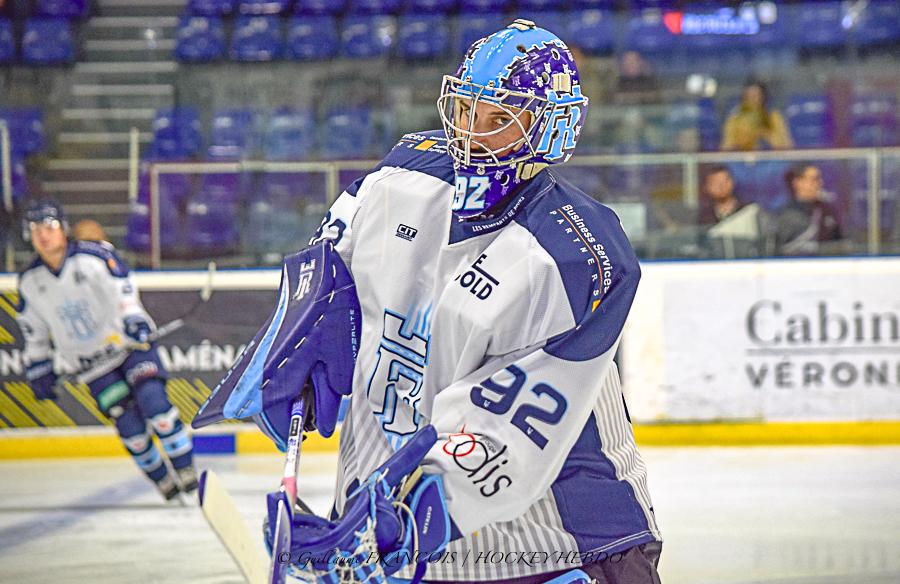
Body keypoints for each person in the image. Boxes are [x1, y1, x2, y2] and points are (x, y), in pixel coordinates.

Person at [196, 19, 661, 584]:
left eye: (499, 120)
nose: (471, 135)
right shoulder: (399, 178)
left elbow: (505, 435)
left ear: (550, 130)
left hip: (559, 547)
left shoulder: (576, 255)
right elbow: (321, 280)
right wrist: (292, 342)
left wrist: (393, 526)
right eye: (465, 110)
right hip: (398, 543)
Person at [16, 200, 198, 501]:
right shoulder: (29, 282)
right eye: (35, 229)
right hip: (94, 366)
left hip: (129, 347)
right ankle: (164, 481)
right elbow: (33, 331)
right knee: (131, 430)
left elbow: (123, 290)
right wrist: (39, 365)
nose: (43, 235)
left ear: (63, 228)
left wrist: (133, 318)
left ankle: (187, 470)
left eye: (49, 227)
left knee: (155, 405)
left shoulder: (94, 256)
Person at [774, 164, 843, 255]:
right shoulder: (786, 215)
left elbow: (839, 240)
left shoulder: (826, 210)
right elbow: (784, 249)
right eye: (814, 179)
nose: (820, 183)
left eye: (820, 179)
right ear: (798, 183)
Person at [720, 80, 793, 151]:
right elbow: (726, 147)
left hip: (771, 158)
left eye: (756, 95)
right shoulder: (735, 119)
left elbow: (787, 145)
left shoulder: (774, 117)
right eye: (748, 96)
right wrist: (745, 137)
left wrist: (764, 131)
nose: (752, 99)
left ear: (763, 97)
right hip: (742, 157)